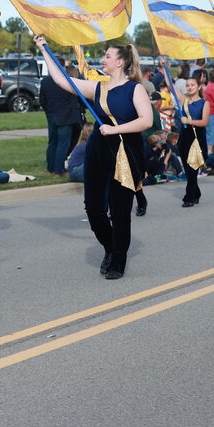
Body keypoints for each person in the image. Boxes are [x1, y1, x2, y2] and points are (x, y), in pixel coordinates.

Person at [36, 37, 152, 280]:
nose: (103, 59)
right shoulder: (98, 87)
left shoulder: (135, 88)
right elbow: (62, 80)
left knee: (120, 212)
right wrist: (43, 49)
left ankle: (118, 260)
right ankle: (110, 248)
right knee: (94, 210)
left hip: (123, 152)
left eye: (108, 56)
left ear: (120, 62)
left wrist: (114, 129)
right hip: (98, 151)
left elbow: (146, 121)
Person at [40, 65, 83, 177]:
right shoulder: (67, 80)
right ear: (63, 67)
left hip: (52, 116)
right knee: (62, 145)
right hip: (66, 116)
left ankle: (50, 169)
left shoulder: (45, 81)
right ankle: (59, 171)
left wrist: (49, 112)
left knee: (52, 143)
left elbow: (42, 100)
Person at [176, 69, 210, 208]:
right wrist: (165, 69)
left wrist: (188, 121)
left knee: (192, 167)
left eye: (192, 85)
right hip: (185, 137)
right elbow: (172, 88)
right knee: (188, 167)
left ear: (199, 87)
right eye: (188, 85)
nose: (189, 87)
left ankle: (189, 196)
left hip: (197, 137)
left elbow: (204, 122)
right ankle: (196, 192)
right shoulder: (184, 100)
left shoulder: (204, 103)